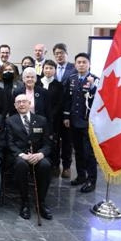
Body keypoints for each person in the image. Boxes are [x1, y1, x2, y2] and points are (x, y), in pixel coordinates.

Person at [6, 94, 53, 220]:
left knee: (45, 165)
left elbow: (48, 143)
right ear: (15, 106)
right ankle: (25, 202)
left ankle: (41, 202)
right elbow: (9, 143)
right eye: (18, 102)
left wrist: (40, 154)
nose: (21, 104)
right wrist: (22, 155)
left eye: (24, 102)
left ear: (29, 103)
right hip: (19, 156)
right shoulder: (10, 121)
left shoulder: (41, 120)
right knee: (21, 165)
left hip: (38, 154)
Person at [63, 52, 98, 193]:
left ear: (89, 64)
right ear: (75, 64)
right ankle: (81, 176)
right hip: (74, 121)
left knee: (88, 152)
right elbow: (67, 99)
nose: (81, 64)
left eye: (84, 62)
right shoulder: (71, 78)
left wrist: (92, 87)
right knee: (77, 151)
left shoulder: (95, 80)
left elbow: (99, 101)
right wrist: (66, 116)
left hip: (88, 122)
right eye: (79, 62)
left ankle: (92, 180)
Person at [52, 43, 76, 179]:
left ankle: (67, 167)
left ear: (66, 54)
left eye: (61, 53)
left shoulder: (74, 68)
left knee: (67, 141)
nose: (59, 55)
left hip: (68, 111)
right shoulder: (50, 68)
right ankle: (55, 165)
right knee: (54, 140)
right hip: (54, 113)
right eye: (56, 53)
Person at [41, 59, 65, 177]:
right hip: (39, 119)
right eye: (46, 68)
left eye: (51, 68)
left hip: (54, 120)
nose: (48, 70)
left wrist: (50, 116)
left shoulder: (59, 85)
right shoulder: (38, 83)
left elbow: (60, 103)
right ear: (43, 69)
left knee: (53, 142)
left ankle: (55, 165)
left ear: (55, 70)